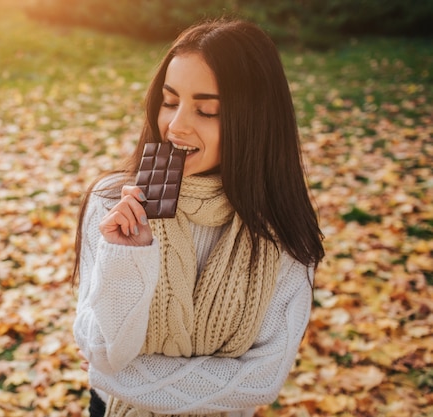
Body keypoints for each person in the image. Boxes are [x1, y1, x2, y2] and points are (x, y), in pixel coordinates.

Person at [72, 17, 325, 417]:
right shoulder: (112, 205)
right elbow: (102, 349)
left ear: (254, 122)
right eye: (170, 102)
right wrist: (124, 258)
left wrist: (124, 379)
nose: (175, 125)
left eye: (206, 110)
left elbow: (262, 379)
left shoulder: (283, 234)